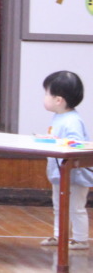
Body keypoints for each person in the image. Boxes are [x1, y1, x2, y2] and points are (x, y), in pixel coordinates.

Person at [41, 70, 92, 250]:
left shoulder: (72, 121)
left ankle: (80, 239)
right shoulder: (59, 117)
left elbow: (76, 145)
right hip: (60, 173)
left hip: (75, 175)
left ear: (58, 100)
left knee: (75, 207)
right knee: (59, 205)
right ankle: (59, 235)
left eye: (46, 93)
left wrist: (57, 142)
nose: (44, 97)